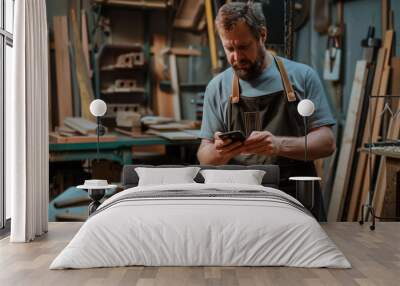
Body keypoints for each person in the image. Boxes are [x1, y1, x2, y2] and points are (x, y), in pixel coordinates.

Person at [197, 1, 336, 221]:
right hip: (240, 204)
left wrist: (278, 145)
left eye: (243, 47)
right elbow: (204, 156)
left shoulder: (302, 77)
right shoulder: (218, 87)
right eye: (229, 48)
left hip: (296, 200)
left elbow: (327, 142)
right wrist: (220, 151)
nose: (236, 57)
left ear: (262, 34)